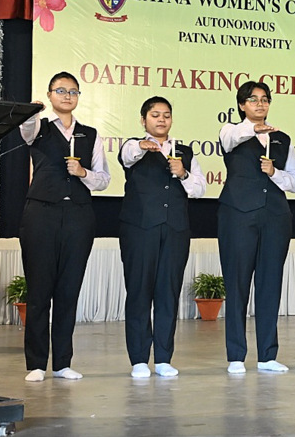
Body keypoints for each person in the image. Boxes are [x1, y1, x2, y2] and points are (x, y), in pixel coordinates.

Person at [18, 71, 111, 382]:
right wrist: (33, 110)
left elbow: (103, 179)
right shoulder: (39, 127)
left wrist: (83, 172)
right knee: (40, 289)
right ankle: (35, 364)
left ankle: (62, 362)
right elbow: (26, 132)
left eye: (73, 91)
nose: (67, 96)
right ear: (51, 93)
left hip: (78, 216)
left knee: (69, 290)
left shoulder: (91, 134)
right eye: (60, 90)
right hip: (41, 214)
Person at [218, 81, 295, 374]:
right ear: (242, 105)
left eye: (264, 99)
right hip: (238, 216)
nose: (259, 104)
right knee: (237, 283)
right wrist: (254, 129)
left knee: (270, 285)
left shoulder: (283, 139)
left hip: (275, 217)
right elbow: (232, 139)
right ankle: (236, 356)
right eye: (252, 100)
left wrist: (275, 173)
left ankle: (267, 355)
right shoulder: (231, 131)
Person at [118, 96, 206, 378]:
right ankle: (139, 359)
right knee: (139, 291)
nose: (161, 120)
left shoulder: (185, 151)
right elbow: (127, 154)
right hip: (139, 229)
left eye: (166, 115)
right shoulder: (134, 146)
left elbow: (199, 189)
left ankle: (164, 358)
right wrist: (143, 146)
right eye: (155, 115)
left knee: (168, 292)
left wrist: (183, 173)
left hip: (175, 230)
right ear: (143, 120)